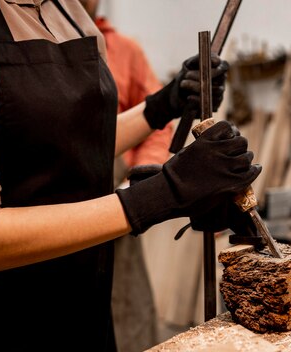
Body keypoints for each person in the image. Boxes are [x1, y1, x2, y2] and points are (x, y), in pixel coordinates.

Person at [0, 1, 260, 351]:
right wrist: (160, 195)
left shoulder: (67, 8)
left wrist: (160, 106)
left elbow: (69, 145)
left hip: (84, 306)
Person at [79, 1, 170, 350]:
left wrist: (138, 182)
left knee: (128, 309)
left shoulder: (124, 50)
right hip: (48, 212)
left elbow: (156, 130)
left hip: (115, 202)